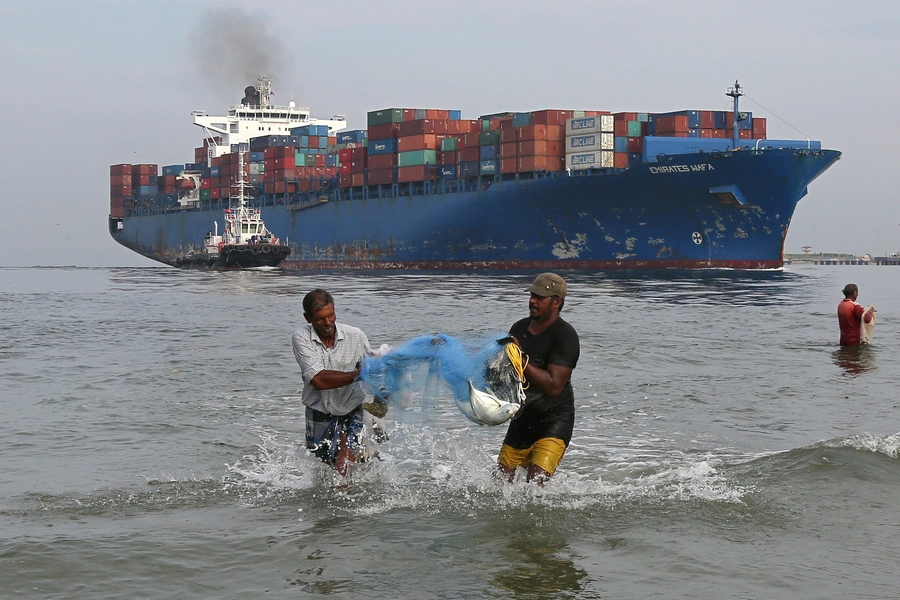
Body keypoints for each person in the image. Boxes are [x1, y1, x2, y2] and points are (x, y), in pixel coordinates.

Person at [497, 273, 580, 484]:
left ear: (556, 302)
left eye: (540, 297)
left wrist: (520, 359)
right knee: (498, 485)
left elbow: (553, 385)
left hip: (554, 420)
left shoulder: (565, 336)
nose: (533, 300)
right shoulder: (519, 329)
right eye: (532, 295)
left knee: (535, 483)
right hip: (523, 419)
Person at [292, 289, 382, 478]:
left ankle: (350, 501)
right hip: (320, 410)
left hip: (352, 408)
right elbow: (319, 380)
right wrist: (359, 375)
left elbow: (375, 362)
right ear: (308, 318)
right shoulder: (301, 338)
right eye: (320, 319)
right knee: (326, 469)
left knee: (344, 467)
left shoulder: (355, 335)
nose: (327, 323)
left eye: (331, 315)